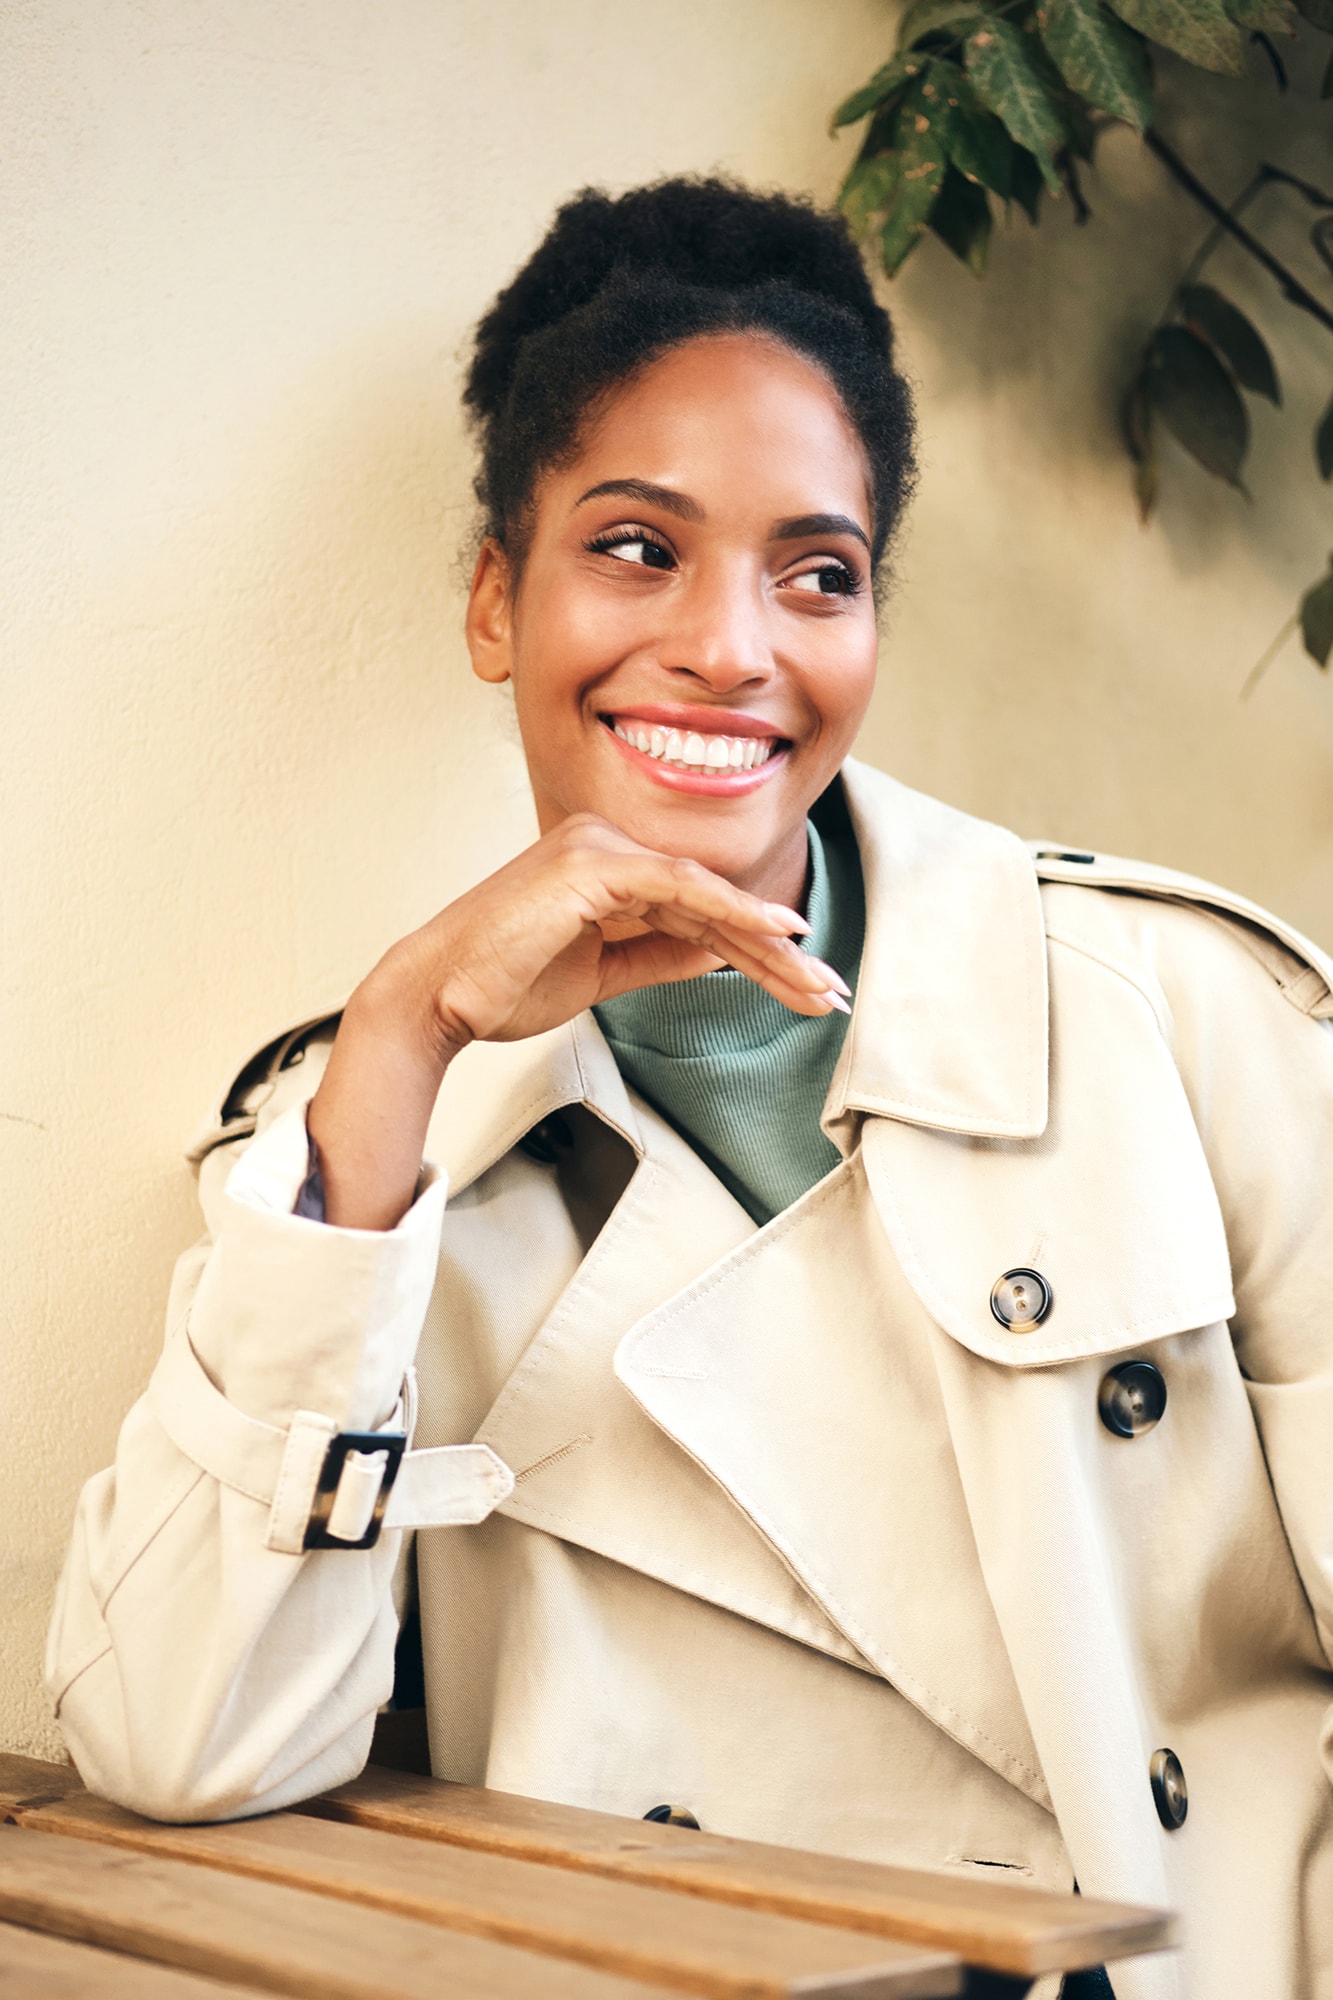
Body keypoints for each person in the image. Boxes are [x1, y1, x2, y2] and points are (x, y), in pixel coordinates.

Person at [47, 178, 1333, 2000]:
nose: (734, 646)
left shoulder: (1186, 1016)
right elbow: (181, 1749)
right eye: (639, 548)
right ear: (497, 600)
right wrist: (400, 1032)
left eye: (817, 574)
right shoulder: (352, 1155)